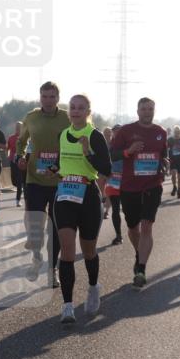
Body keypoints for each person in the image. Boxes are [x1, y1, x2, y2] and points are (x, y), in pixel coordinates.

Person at [54, 95, 111, 324]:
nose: (76, 111)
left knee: (88, 251)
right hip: (65, 195)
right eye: (73, 107)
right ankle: (67, 306)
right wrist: (52, 169)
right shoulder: (62, 135)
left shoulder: (94, 136)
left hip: (87, 195)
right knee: (67, 250)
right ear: (69, 111)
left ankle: (94, 287)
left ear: (88, 111)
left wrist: (88, 152)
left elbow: (106, 168)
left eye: (81, 108)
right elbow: (60, 162)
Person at [109, 97, 168, 288]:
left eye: (150, 109)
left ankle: (141, 268)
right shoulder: (126, 131)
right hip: (129, 187)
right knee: (133, 228)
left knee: (146, 226)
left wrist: (165, 163)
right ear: (137, 111)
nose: (147, 112)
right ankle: (138, 253)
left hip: (152, 185)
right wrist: (128, 151)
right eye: (143, 109)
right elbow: (112, 154)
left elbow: (163, 154)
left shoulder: (161, 132)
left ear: (154, 110)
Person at [15, 82, 70, 285]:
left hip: (59, 180)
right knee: (35, 224)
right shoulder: (31, 117)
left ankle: (52, 269)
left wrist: (57, 166)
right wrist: (20, 157)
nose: (48, 101)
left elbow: (73, 144)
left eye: (52, 96)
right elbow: (21, 141)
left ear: (58, 98)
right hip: (35, 179)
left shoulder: (66, 118)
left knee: (55, 228)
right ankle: (37, 257)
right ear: (40, 98)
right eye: (44, 97)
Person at [105, 125, 124, 244]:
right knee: (115, 209)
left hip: (127, 181)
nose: (117, 134)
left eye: (119, 131)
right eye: (115, 131)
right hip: (113, 181)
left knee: (128, 210)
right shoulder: (108, 146)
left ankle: (133, 230)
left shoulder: (128, 145)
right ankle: (118, 235)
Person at [6, 121, 24, 207]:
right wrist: (7, 155)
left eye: (19, 127)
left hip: (21, 161)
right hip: (12, 161)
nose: (18, 128)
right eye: (16, 127)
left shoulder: (24, 138)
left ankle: (18, 200)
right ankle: (21, 187)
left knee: (19, 181)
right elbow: (7, 148)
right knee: (14, 181)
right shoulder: (11, 138)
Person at [101, 126, 114, 219]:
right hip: (101, 172)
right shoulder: (99, 143)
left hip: (112, 172)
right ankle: (101, 209)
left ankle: (106, 212)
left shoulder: (114, 145)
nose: (108, 135)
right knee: (101, 192)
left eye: (109, 134)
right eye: (106, 134)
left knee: (110, 192)